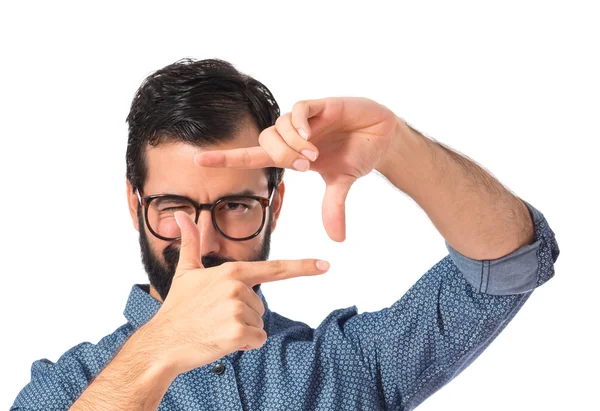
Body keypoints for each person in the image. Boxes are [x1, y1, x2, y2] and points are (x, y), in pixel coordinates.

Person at [11, 58, 560, 411]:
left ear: (274, 207)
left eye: (236, 205)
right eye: (174, 206)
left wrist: (399, 150)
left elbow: (507, 264)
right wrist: (158, 350)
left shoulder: (342, 370)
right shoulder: (67, 390)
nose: (204, 239)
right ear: (136, 204)